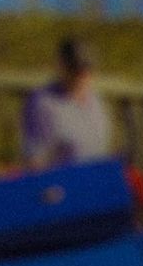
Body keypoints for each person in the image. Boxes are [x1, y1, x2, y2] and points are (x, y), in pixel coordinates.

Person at [22, 38, 113, 169]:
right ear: (61, 66)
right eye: (75, 68)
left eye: (87, 67)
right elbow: (36, 159)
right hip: (61, 183)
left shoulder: (96, 100)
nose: (82, 74)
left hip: (94, 180)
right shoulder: (43, 102)